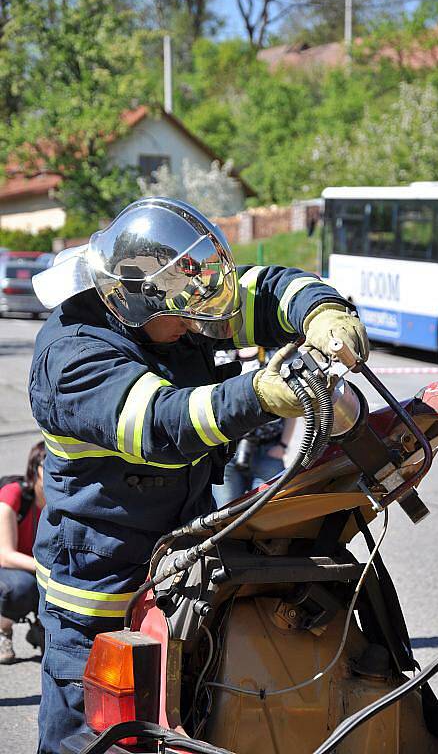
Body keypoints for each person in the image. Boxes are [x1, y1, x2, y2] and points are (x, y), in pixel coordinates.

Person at [29, 196, 369, 754]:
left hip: (179, 566)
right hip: (100, 587)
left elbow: (260, 289)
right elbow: (164, 424)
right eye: (183, 313)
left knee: (184, 725)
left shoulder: (164, 300)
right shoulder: (73, 354)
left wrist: (322, 312)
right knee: (96, 741)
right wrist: (261, 393)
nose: (197, 323)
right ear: (133, 297)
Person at [213, 347, 296, 508]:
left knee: (271, 511)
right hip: (227, 453)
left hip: (268, 451)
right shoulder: (220, 356)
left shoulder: (275, 356)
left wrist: (283, 445)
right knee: (225, 515)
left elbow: (291, 405)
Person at [0, 441, 46, 663]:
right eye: (49, 465)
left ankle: (42, 626)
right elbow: (5, 555)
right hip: (8, 569)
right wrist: (48, 570)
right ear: (35, 469)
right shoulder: (13, 494)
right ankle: (3, 628)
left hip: (34, 567)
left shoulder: (67, 501)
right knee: (21, 587)